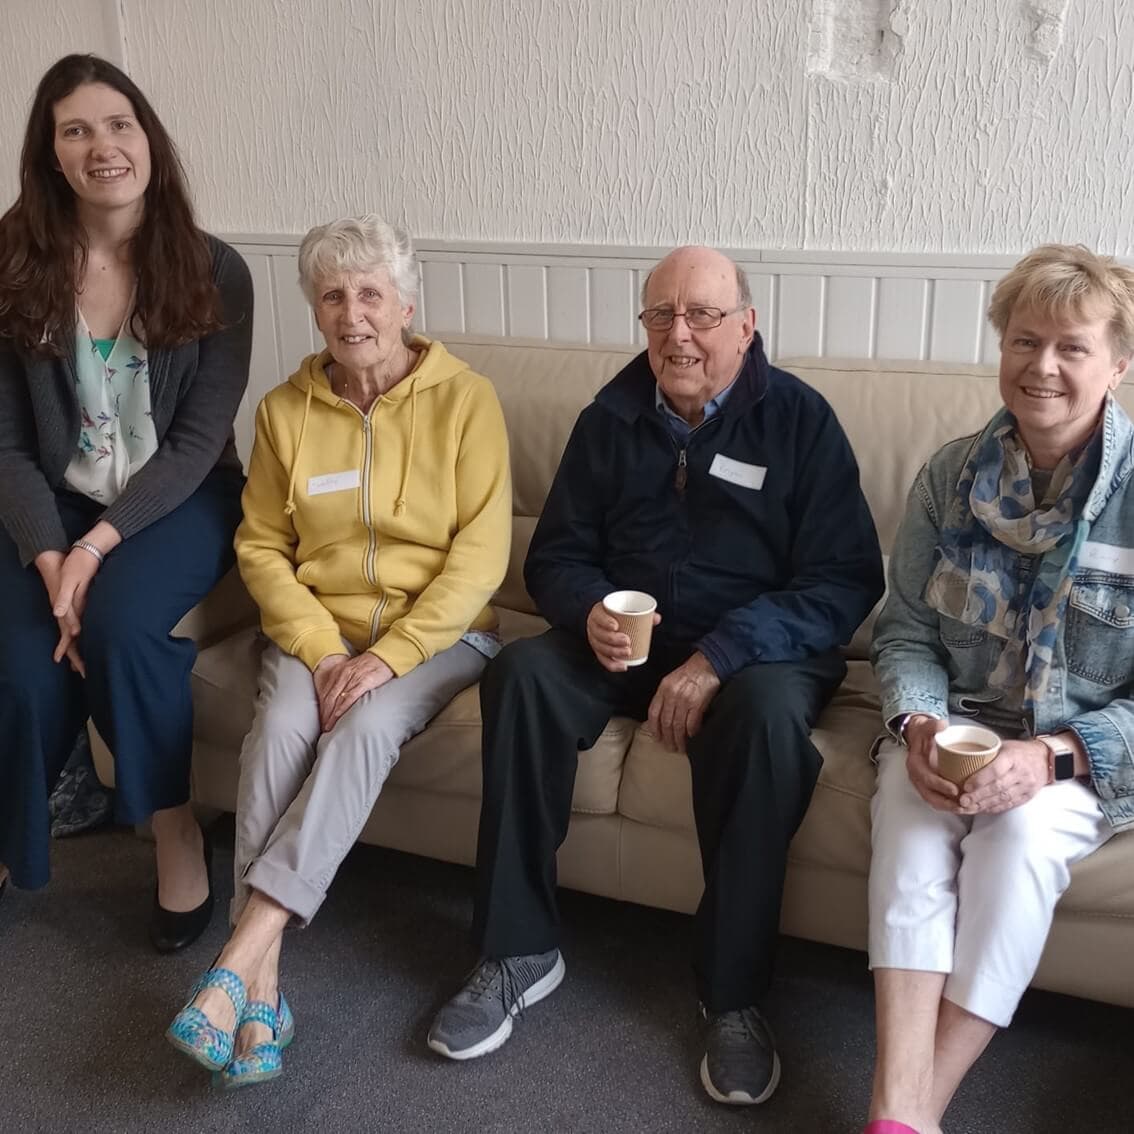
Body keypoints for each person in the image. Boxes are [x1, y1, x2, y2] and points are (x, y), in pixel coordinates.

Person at [428, 245, 885, 1106]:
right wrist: (590, 605)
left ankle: (735, 993)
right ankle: (516, 950)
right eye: (660, 316)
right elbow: (556, 553)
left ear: (747, 327)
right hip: (625, 646)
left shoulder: (799, 422)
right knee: (522, 677)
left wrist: (721, 655)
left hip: (756, 655)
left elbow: (844, 580)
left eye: (702, 315)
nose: (678, 336)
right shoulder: (612, 418)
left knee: (764, 730)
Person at [166, 215, 512, 1088]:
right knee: (280, 732)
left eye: (369, 293)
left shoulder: (466, 400)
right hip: (314, 634)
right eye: (332, 294)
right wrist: (323, 651)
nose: (351, 312)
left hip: (434, 637)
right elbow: (260, 549)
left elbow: (480, 559)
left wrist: (388, 657)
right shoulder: (285, 412)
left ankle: (236, 957)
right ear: (314, 309)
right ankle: (263, 991)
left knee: (360, 732)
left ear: (405, 304)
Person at [863, 244, 1134, 1134]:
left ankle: (909, 1113)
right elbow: (903, 629)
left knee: (1015, 840)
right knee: (907, 828)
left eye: (1071, 347)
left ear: (1119, 365)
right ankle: (897, 1116)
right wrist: (917, 725)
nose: (1042, 367)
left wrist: (1053, 757)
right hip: (958, 726)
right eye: (1024, 341)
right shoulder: (950, 476)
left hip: (1072, 757)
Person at [0, 54, 252, 948]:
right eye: (76, 130)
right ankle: (20, 841)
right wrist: (47, 554)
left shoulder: (214, 270)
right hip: (51, 508)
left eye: (119, 125)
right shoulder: (12, 264)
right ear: (51, 155)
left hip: (176, 503)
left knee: (115, 627)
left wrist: (95, 550)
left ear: (149, 141)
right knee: (24, 661)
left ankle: (174, 829)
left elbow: (193, 446)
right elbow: (7, 443)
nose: (102, 146)